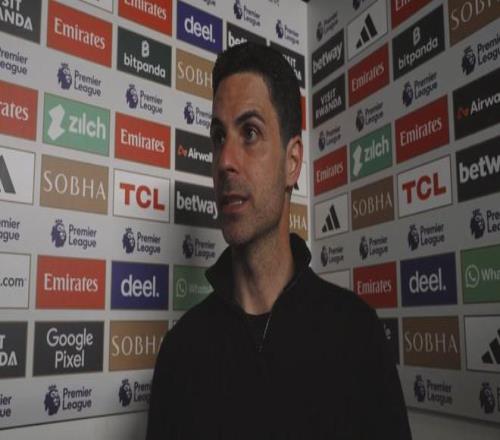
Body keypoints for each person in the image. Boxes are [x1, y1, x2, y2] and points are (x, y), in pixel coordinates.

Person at [146, 42, 412, 440]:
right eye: (218, 137)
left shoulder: (357, 335)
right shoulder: (180, 351)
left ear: (292, 162)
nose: (225, 161)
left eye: (250, 132)